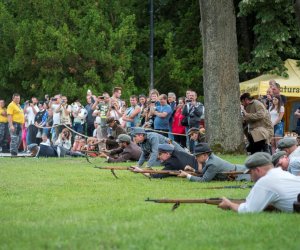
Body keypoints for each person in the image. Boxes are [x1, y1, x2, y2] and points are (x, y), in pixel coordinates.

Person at [218, 152, 300, 213]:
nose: (250, 176)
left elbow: (249, 211)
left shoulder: (265, 181)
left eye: (251, 172)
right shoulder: (284, 173)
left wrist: (230, 204)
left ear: (257, 170)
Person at [178, 143, 248, 182]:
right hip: (239, 170)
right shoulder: (210, 158)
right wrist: (192, 170)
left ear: (205, 155)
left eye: (197, 156)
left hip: (242, 174)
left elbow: (204, 180)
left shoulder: (212, 163)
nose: (195, 158)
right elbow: (203, 172)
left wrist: (187, 175)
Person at [132, 143, 199, 178]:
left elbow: (156, 176)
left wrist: (140, 171)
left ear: (167, 154)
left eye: (159, 154)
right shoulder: (179, 153)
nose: (158, 157)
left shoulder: (171, 163)